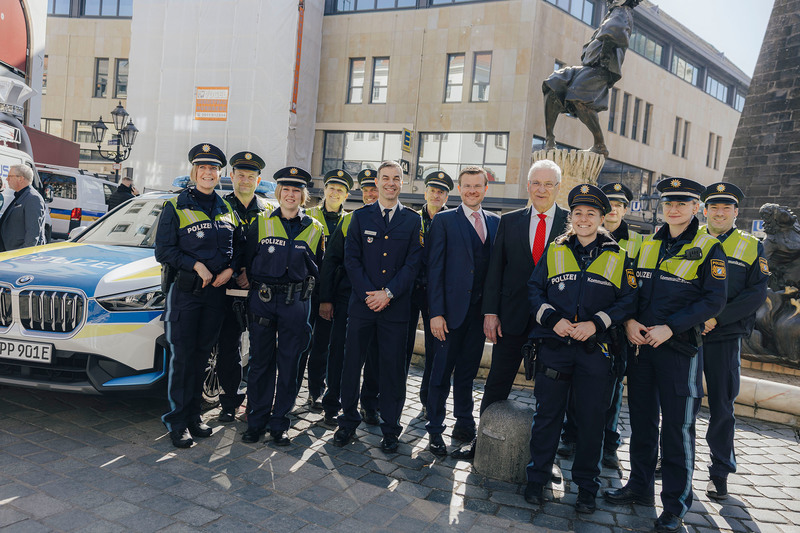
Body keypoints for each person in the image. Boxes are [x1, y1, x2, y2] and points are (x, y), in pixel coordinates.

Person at [604, 178, 728, 533]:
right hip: (642, 348)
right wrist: (629, 321)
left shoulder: (708, 247)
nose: (673, 209)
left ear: (695, 208)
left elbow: (714, 300)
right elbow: (630, 289)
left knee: (677, 429)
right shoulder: (647, 244)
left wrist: (670, 327)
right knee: (642, 424)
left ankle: (675, 505)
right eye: (668, 203)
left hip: (679, 351)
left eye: (682, 203)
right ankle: (639, 487)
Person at [523, 184, 636, 514]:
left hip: (596, 351)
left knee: (591, 423)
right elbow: (534, 291)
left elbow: (629, 300)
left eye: (591, 214)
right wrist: (552, 320)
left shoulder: (619, 255)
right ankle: (536, 479)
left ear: (601, 218)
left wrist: (596, 323)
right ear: (570, 217)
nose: (583, 219)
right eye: (578, 213)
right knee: (547, 418)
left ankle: (587, 488)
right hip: (555, 345)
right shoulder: (555, 250)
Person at [474, 159, 569, 460]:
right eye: (536, 183)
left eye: (548, 184)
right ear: (528, 186)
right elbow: (495, 270)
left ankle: (543, 458)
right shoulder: (510, 220)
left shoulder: (571, 223)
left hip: (553, 323)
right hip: (511, 319)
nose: (542, 189)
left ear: (558, 187)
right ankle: (481, 443)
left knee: (550, 394)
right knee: (496, 383)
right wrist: (491, 312)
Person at [333, 160, 423, 453]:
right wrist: (369, 295)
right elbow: (351, 260)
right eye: (385, 178)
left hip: (395, 310)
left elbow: (413, 264)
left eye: (396, 178)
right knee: (351, 366)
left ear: (402, 183)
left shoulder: (412, 220)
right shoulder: (360, 217)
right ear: (377, 182)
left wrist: (388, 294)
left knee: (393, 371)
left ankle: (391, 428)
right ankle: (347, 422)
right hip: (362, 306)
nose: (390, 183)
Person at [155, 143, 237, 448]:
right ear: (194, 172)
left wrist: (232, 269)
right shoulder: (175, 206)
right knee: (183, 359)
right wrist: (195, 265)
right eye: (203, 167)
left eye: (213, 168)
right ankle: (177, 422)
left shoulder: (226, 208)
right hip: (186, 294)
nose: (208, 173)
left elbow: (238, 246)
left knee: (202, 357)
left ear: (219, 174)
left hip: (215, 295)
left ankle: (194, 416)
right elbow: (163, 251)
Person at [557, 181, 642, 468]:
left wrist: (627, 320)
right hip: (579, 328)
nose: (615, 209)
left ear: (623, 210)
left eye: (619, 205)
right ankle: (571, 434)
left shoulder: (639, 242)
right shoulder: (574, 239)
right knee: (573, 386)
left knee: (612, 391)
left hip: (615, 329)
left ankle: (608, 443)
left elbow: (636, 291)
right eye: (611, 204)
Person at [240, 166, 324, 445]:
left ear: (303, 195)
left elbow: (319, 268)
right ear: (278, 193)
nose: (290, 195)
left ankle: (280, 423)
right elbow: (247, 260)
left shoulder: (315, 228)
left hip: (296, 302)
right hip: (263, 301)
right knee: (260, 363)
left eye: (296, 190)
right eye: (285, 189)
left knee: (290, 364)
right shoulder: (261, 222)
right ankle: (256, 421)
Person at [699, 182, 769, 501]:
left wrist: (716, 318)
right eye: (714, 207)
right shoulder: (692, 238)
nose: (719, 212)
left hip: (725, 336)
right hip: (688, 332)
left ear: (736, 212)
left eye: (726, 207)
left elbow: (755, 294)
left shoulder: (752, 245)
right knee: (677, 403)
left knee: (722, 406)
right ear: (705, 210)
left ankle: (720, 471)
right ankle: (670, 457)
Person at [425, 167, 499, 456]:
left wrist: (492, 312)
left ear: (485, 189)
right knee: (440, 373)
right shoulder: (444, 221)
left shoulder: (495, 222)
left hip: (479, 315)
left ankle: (464, 423)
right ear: (459, 188)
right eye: (466, 186)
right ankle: (435, 429)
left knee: (468, 371)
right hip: (448, 314)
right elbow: (434, 269)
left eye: (477, 186)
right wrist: (435, 313)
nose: (471, 190)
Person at [215, 151, 276, 423]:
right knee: (228, 348)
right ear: (232, 176)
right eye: (240, 175)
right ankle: (229, 401)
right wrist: (236, 270)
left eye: (251, 176)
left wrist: (251, 274)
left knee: (261, 349)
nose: (245, 180)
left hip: (259, 291)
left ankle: (256, 402)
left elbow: (272, 251)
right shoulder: (219, 207)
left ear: (258, 180)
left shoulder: (269, 211)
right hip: (226, 291)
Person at [319, 169, 381, 426]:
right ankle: (332, 403)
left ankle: (369, 405)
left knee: (375, 356)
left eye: (374, 189)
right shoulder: (349, 220)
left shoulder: (395, 220)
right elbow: (331, 261)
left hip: (381, 302)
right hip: (347, 299)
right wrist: (326, 299)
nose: (370, 194)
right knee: (339, 354)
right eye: (366, 190)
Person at [542, 0, 642, 156]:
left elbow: (615, 32)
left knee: (579, 98)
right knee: (554, 82)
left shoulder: (622, 11)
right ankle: (550, 138)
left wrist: (604, 51)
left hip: (601, 67)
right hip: (589, 66)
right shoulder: (613, 12)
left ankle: (599, 144)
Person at [298, 169, 352, 410]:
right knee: (302, 343)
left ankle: (316, 392)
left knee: (325, 345)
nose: (335, 193)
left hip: (334, 293)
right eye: (331, 188)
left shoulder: (350, 220)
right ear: (325, 190)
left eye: (340, 190)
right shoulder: (308, 216)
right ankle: (292, 391)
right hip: (306, 290)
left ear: (346, 195)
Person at [410, 171, 452, 415]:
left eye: (441, 192)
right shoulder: (411, 218)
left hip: (436, 294)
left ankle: (428, 400)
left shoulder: (452, 221)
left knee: (435, 350)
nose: (436, 195)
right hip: (408, 291)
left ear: (447, 196)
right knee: (399, 345)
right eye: (433, 190)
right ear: (425, 193)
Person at [0, 165, 47, 251]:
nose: (7, 179)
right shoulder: (22, 195)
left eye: (10, 176)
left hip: (18, 254)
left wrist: (23, 255)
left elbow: (33, 233)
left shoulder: (33, 198)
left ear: (21, 178)